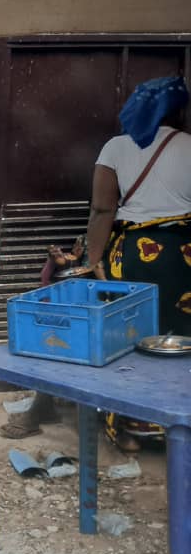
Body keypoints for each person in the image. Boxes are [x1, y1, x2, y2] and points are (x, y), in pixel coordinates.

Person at [85, 75, 191, 452]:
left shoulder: (115, 148)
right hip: (183, 258)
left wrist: (91, 261)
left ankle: (130, 427)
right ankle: (178, 426)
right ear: (178, 110)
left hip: (129, 256)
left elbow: (102, 209)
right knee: (182, 337)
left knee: (130, 338)